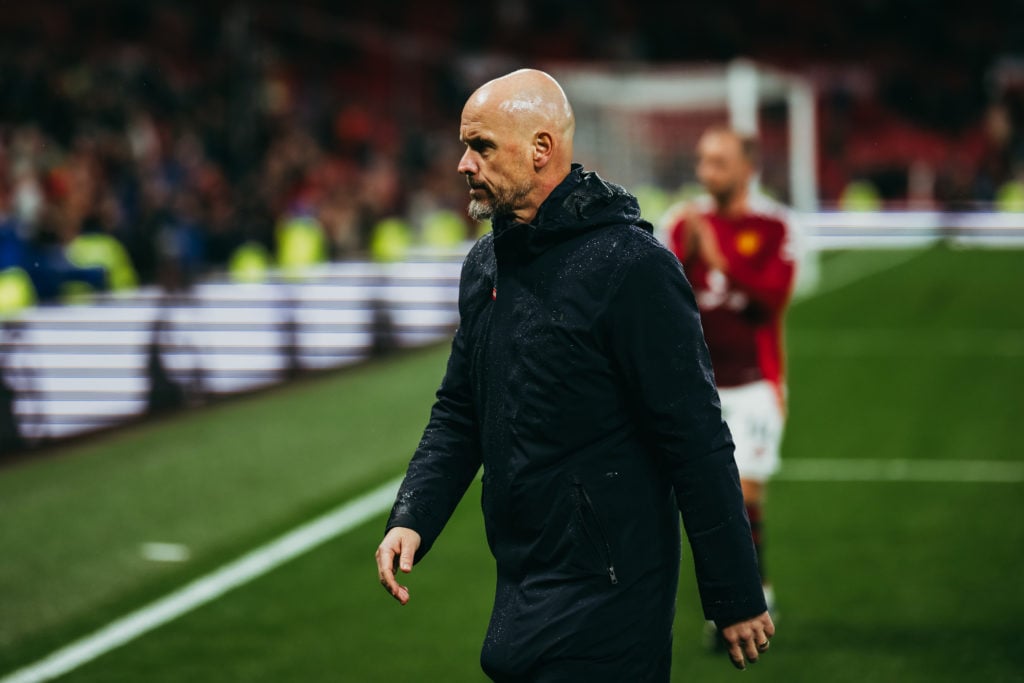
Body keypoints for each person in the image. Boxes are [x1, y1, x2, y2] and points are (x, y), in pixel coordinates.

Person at [375, 70, 774, 681]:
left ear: (540, 149)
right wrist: (413, 516)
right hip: (520, 581)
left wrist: (735, 593)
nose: (462, 164)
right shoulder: (487, 264)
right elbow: (461, 409)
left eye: (480, 146)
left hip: (611, 591)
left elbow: (694, 436)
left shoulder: (631, 266)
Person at [660, 125, 797, 644]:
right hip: (696, 388)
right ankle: (735, 600)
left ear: (747, 167)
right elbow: (665, 300)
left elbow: (772, 299)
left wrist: (720, 259)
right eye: (702, 161)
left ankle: (750, 599)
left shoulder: (774, 226)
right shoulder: (682, 225)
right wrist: (691, 254)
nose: (705, 172)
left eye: (718, 162)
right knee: (699, 501)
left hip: (757, 382)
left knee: (742, 492)